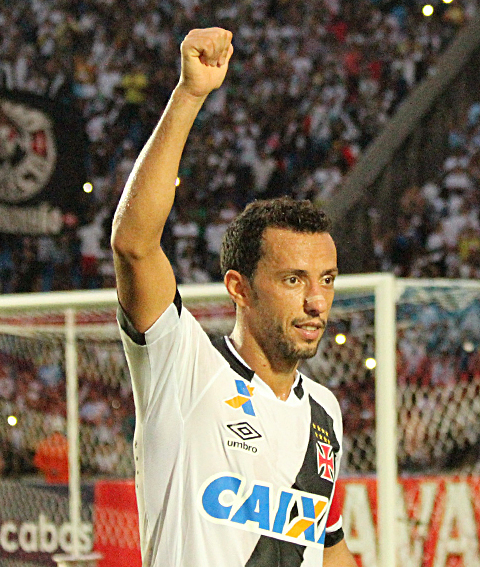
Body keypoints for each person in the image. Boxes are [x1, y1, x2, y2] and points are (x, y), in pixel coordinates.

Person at [111, 27, 357, 567]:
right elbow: (133, 246)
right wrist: (190, 94)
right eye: (294, 280)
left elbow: (328, 544)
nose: (317, 301)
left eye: (328, 280)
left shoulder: (324, 413)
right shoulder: (184, 366)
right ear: (238, 287)